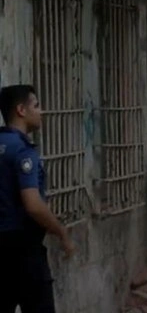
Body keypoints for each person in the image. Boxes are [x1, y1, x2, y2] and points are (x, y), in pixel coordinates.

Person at [0, 85, 75, 313]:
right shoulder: (22, 151)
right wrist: (61, 232)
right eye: (37, 105)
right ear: (21, 110)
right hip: (23, 250)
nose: (41, 112)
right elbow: (33, 205)